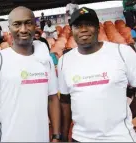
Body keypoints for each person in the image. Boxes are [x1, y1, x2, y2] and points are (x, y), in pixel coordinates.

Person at [0, 6, 61, 142]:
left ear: (35, 26)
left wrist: (56, 136)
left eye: (28, 23)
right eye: (17, 24)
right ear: (9, 27)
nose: (23, 29)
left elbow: (52, 99)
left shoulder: (45, 60)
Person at [58, 7, 136, 142]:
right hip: (80, 138)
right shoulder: (64, 61)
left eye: (89, 24)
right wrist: (64, 137)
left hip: (120, 137)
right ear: (72, 30)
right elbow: (65, 101)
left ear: (98, 27)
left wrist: (128, 113)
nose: (83, 29)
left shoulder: (122, 52)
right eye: (78, 26)